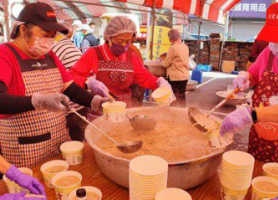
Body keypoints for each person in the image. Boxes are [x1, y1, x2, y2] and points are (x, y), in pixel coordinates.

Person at [0, 2, 110, 168]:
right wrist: (37, 102)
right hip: (26, 147)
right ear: (23, 30)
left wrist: (96, 101)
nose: (49, 41)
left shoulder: (50, 56)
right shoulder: (5, 55)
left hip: (60, 140)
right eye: (45, 34)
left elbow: (70, 89)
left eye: (52, 36)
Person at [220, 1, 278, 169]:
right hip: (260, 142)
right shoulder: (269, 53)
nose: (275, 42)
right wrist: (246, 78)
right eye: (272, 36)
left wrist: (252, 114)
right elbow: (255, 74)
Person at [69, 16, 174, 107]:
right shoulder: (94, 53)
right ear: (108, 38)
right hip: (101, 110)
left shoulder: (131, 56)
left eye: (127, 41)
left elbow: (144, 78)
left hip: (126, 111)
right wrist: (88, 83)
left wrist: (159, 82)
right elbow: (70, 77)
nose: (124, 45)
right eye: (119, 41)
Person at [52, 22, 87, 141]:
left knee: (74, 141)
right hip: (78, 103)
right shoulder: (70, 46)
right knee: (78, 140)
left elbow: (65, 81)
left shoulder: (58, 47)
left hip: (72, 107)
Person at [161, 29, 189, 107]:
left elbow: (167, 63)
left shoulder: (173, 48)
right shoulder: (185, 46)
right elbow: (179, 57)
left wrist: (161, 61)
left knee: (173, 97)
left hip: (175, 77)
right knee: (182, 96)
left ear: (171, 38)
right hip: (184, 76)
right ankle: (183, 111)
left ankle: (174, 114)